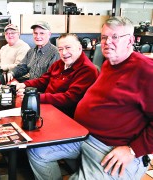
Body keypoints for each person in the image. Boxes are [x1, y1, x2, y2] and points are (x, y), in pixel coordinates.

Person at [27, 16, 152, 180]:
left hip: (113, 148)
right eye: (104, 37)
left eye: (115, 37)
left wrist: (133, 149)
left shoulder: (146, 71)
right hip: (84, 136)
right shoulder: (109, 64)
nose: (107, 42)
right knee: (36, 151)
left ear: (130, 40)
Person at [16, 33, 98, 117]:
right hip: (48, 108)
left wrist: (36, 97)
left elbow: (69, 98)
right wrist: (24, 84)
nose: (64, 52)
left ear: (79, 48)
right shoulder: (60, 63)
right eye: (60, 49)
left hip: (64, 116)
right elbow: (44, 80)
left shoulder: (87, 70)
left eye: (68, 48)